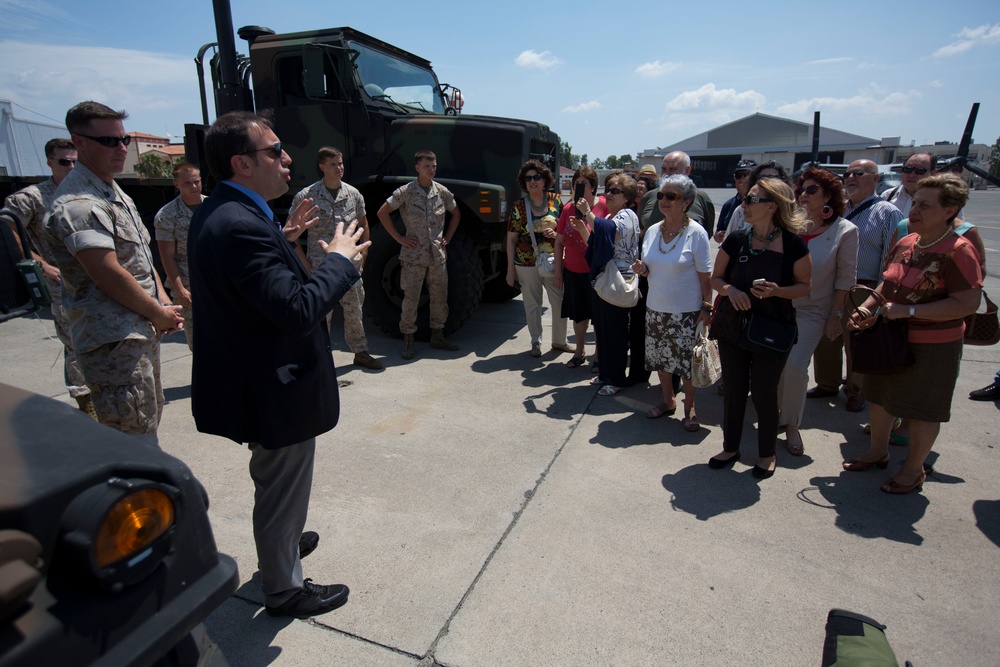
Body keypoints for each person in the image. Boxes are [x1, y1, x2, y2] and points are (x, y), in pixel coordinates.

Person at [189, 111, 368, 617]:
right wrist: (339, 260)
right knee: (279, 484)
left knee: (280, 482)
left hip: (260, 377)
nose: (288, 160)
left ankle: (283, 543)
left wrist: (286, 239)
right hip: (273, 385)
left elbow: (252, 286)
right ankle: (284, 587)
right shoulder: (239, 224)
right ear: (241, 163)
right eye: (275, 151)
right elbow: (296, 310)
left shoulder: (226, 211)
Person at [44, 102, 183, 442]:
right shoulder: (79, 204)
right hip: (112, 340)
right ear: (80, 143)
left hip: (136, 331)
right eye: (109, 141)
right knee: (130, 436)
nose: (121, 149)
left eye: (124, 140)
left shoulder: (112, 191)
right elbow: (106, 272)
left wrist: (163, 302)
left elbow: (138, 254)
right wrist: (156, 312)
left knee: (145, 422)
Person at [843, 174, 981, 494]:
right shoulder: (907, 241)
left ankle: (913, 468)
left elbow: (967, 302)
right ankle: (878, 452)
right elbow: (887, 283)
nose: (914, 210)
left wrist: (910, 312)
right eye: (914, 202)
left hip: (934, 346)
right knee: (880, 399)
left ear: (950, 210)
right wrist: (868, 308)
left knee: (923, 409)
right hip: (891, 338)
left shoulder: (959, 250)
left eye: (924, 205)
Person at [707, 177, 811, 479]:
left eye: (751, 199)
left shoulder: (793, 245)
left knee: (765, 393)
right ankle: (730, 447)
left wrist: (778, 291)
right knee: (735, 390)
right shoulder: (737, 238)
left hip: (772, 330)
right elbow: (717, 278)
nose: (744, 204)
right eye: (745, 198)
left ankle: (767, 453)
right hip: (733, 327)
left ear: (772, 206)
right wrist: (730, 290)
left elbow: (805, 287)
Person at [3, 137, 95, 418]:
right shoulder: (32, 197)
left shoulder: (84, 192)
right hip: (60, 282)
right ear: (50, 162)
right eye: (64, 161)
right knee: (74, 340)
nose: (70, 166)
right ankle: (84, 400)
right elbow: (7, 228)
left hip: (91, 278)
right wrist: (39, 264)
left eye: (75, 161)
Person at [808, 159, 902, 412]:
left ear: (875, 178)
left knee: (857, 340)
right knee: (828, 336)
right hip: (832, 284)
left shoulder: (887, 212)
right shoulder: (837, 209)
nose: (851, 178)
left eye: (858, 173)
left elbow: (893, 257)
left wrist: (881, 294)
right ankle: (827, 383)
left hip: (864, 285)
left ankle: (855, 390)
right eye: (847, 174)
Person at [777, 168, 858, 455]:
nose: (803, 194)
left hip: (813, 310)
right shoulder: (789, 225)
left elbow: (846, 279)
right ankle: (778, 413)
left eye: (811, 190)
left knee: (796, 365)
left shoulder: (845, 231)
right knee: (777, 363)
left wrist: (837, 316)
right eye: (801, 189)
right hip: (779, 305)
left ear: (829, 196)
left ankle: (791, 426)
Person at [632, 175, 712, 430]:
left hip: (687, 312)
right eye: (661, 195)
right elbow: (652, 268)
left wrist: (706, 309)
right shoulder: (653, 231)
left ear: (686, 202)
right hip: (656, 308)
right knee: (661, 360)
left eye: (671, 196)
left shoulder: (696, 233)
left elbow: (705, 276)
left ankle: (690, 408)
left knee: (687, 364)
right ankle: (668, 401)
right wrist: (642, 269)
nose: (663, 201)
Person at [292, 146, 382, 370]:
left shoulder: (353, 194)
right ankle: (318, 359)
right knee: (321, 315)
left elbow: (364, 223)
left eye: (341, 163)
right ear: (322, 167)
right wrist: (304, 263)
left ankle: (360, 352)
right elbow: (292, 234)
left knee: (354, 310)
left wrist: (363, 252)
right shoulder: (306, 197)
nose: (339, 168)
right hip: (320, 267)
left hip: (349, 267)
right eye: (333, 164)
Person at [376, 150, 461, 360]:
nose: (431, 170)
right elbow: (382, 212)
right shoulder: (406, 192)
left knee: (439, 297)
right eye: (426, 166)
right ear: (417, 168)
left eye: (433, 166)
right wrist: (399, 238)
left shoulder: (441, 192)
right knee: (411, 298)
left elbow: (456, 213)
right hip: (414, 256)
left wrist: (447, 236)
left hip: (437, 256)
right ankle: (408, 340)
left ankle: (437, 336)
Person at [578, 173, 641, 396]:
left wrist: (587, 213)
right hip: (606, 281)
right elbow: (598, 237)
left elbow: (610, 234)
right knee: (603, 329)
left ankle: (615, 378)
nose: (609, 194)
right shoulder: (612, 216)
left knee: (615, 332)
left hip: (618, 282)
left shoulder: (627, 215)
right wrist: (584, 226)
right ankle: (606, 373)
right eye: (608, 189)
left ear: (627, 198)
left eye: (616, 191)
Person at [505, 159, 572, 357]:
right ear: (524, 182)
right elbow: (510, 240)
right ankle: (536, 341)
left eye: (537, 177)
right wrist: (510, 270)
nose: (533, 181)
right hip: (526, 263)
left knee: (558, 302)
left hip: (553, 261)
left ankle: (559, 342)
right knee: (532, 304)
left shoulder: (556, 201)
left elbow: (568, 229)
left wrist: (558, 234)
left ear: (545, 180)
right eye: (528, 178)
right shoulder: (518, 206)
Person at [554, 166, 607, 368]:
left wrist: (585, 225)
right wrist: (559, 271)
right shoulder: (568, 208)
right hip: (574, 270)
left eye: (583, 184)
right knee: (579, 314)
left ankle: (599, 355)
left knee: (599, 314)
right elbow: (559, 242)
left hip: (597, 271)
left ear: (593, 187)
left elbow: (607, 238)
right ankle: (579, 350)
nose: (579, 187)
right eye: (576, 183)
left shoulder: (603, 207)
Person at [154, 162, 205, 351]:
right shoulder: (167, 216)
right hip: (189, 287)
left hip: (215, 283)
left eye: (197, 182)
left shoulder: (213, 206)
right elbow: (167, 256)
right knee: (198, 342)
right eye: (187, 183)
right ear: (176, 185)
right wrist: (180, 290)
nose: (194, 187)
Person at [637, 151, 716, 237]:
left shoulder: (701, 198)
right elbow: (640, 230)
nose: (666, 174)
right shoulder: (649, 196)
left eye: (672, 169)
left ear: (687, 170)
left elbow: (707, 234)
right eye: (664, 169)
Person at [714, 160, 756, 242]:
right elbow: (717, 232)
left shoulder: (762, 204)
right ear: (734, 178)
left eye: (747, 175)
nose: (742, 179)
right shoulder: (728, 205)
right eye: (738, 176)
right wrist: (718, 235)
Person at [882, 152, 935, 217]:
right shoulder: (887, 196)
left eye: (920, 170)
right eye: (907, 169)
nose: (912, 175)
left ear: (933, 174)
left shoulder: (939, 200)